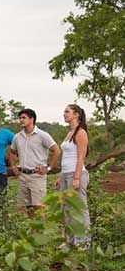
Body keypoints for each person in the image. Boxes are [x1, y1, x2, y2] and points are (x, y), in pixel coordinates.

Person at [9, 108, 60, 217]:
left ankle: (42, 232)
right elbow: (12, 152)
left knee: (39, 208)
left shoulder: (42, 135)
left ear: (32, 119)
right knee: (28, 208)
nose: (21, 120)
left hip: (37, 176)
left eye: (24, 118)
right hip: (23, 176)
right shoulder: (17, 137)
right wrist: (13, 166)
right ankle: (32, 233)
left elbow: (56, 150)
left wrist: (48, 168)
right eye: (20, 118)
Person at [55, 104, 90, 250]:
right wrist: (60, 176)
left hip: (77, 174)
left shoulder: (80, 133)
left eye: (67, 112)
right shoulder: (69, 132)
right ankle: (70, 241)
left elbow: (81, 158)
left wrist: (76, 178)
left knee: (79, 209)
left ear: (76, 114)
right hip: (66, 174)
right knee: (66, 209)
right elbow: (67, 157)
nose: (64, 114)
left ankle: (83, 243)